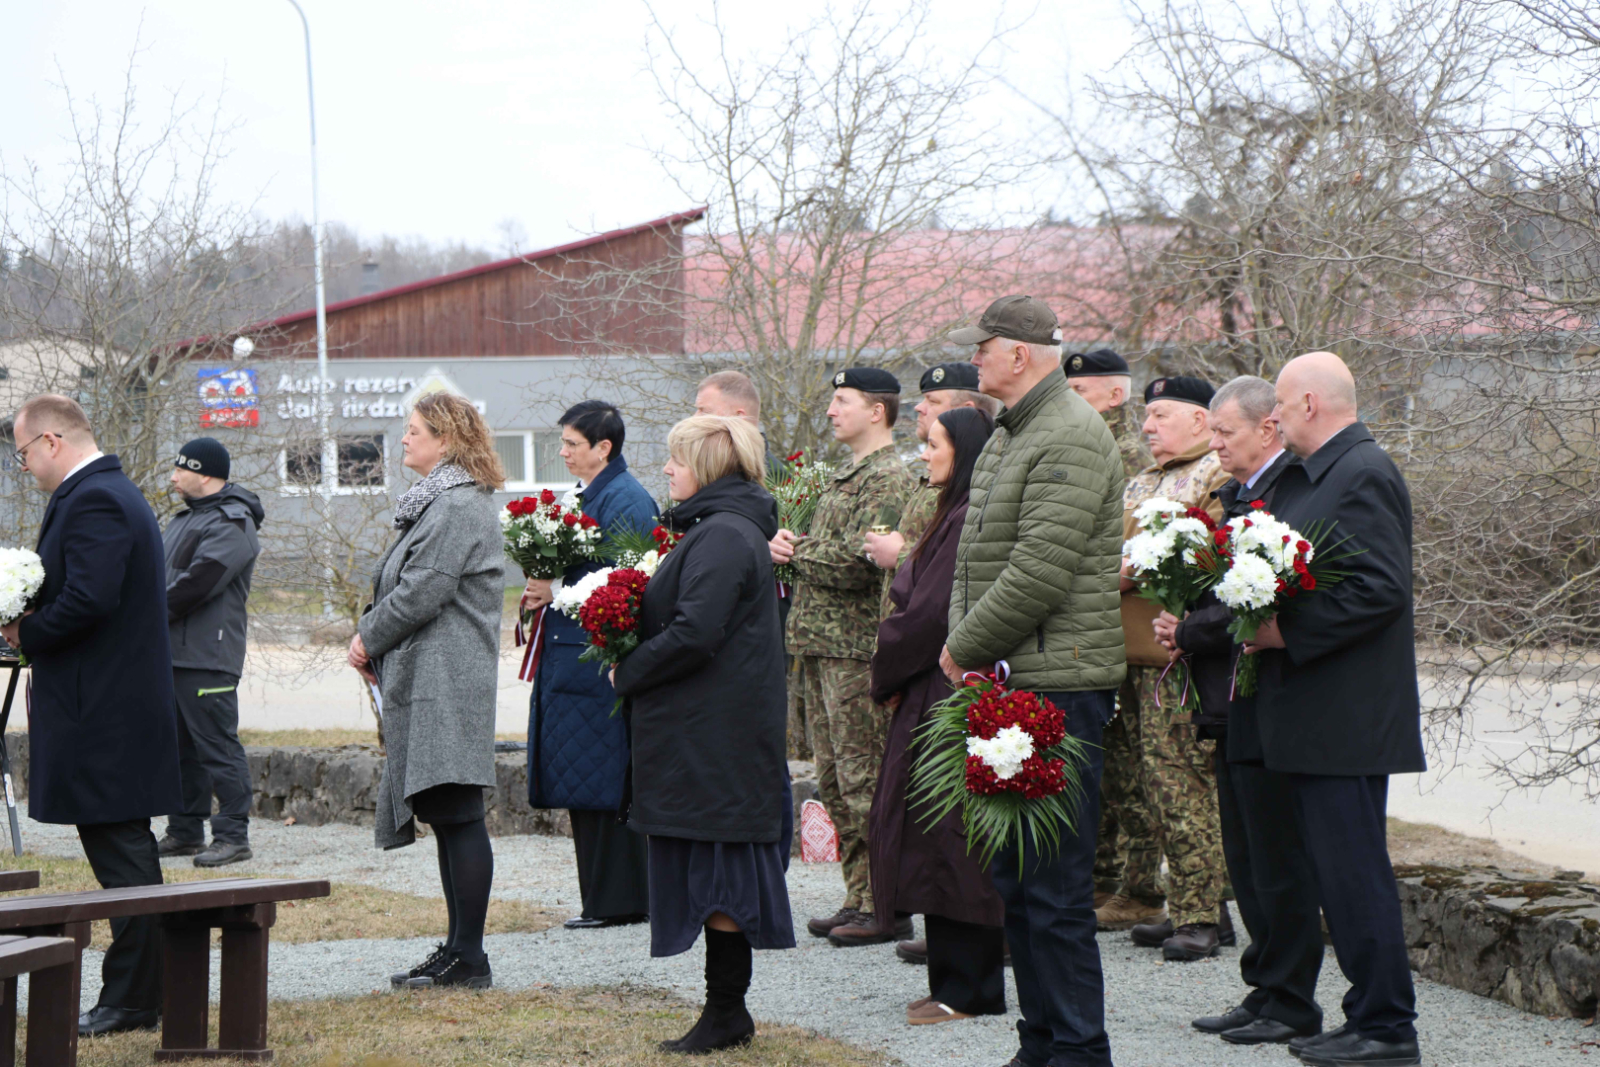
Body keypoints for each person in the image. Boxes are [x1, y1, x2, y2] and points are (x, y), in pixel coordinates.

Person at [941, 295, 1126, 1067]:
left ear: (1019, 352)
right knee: (1016, 881)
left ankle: (1080, 1050)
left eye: (982, 348)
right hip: (1010, 679)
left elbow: (1039, 570)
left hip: (1059, 687)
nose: (974, 361)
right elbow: (972, 556)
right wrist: (966, 646)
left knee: (1054, 887)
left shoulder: (1069, 435)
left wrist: (961, 647)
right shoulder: (1015, 431)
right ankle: (1041, 1040)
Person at [1235, 352, 1425, 1067]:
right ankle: (1366, 1016)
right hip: (1310, 711)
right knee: (1335, 874)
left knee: (1354, 874)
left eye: (1279, 404)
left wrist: (1283, 630)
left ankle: (1387, 1025)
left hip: (1346, 715)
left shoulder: (1364, 470)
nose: (1272, 416)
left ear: (1310, 403)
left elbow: (1381, 588)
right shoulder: (1311, 476)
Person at [611, 415, 794, 1055]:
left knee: (722, 875)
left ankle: (726, 1015)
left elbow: (695, 632)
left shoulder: (722, 534)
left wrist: (625, 671)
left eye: (676, 460)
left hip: (717, 735)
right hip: (715, 729)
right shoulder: (722, 529)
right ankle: (725, 1012)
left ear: (709, 467)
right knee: (715, 869)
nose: (666, 470)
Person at [1, 394, 182, 1037]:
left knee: (125, 858)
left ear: (52, 441)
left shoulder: (96, 497)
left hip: (104, 712)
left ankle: (134, 999)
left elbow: (89, 596)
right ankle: (140, 992)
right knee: (121, 852)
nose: (21, 466)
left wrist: (27, 631)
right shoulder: (106, 491)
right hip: (110, 706)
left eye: (22, 453)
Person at [1153, 376, 1323, 1046]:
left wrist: (1191, 629)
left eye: (1225, 432)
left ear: (1268, 429)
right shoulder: (1240, 494)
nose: (1215, 443)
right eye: (1214, 432)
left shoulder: (1286, 493)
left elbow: (1258, 588)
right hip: (1231, 698)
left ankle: (1291, 999)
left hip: (1265, 691)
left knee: (1275, 857)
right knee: (1246, 853)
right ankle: (1266, 986)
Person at [349, 392, 506, 990]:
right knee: (447, 814)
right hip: (429, 678)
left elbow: (421, 591)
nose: (405, 438)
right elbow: (404, 583)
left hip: (448, 683)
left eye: (415, 430)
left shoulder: (460, 506)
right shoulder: (435, 503)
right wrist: (372, 633)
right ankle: (458, 951)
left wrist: (366, 636)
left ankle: (470, 958)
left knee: (459, 813)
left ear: (447, 440)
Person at [769, 367, 916, 946]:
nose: (831, 411)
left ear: (876, 411)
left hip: (855, 651)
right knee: (833, 778)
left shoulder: (888, 479)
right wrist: (793, 546)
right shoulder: (845, 477)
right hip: (822, 648)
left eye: (843, 401)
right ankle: (860, 895)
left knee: (863, 780)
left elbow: (861, 562)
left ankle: (886, 901)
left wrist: (794, 551)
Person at [867, 406, 1004, 1024]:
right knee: (932, 838)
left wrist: (885, 668)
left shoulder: (969, 517)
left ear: (966, 451)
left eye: (935, 444)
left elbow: (928, 616)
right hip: (929, 690)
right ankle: (949, 980)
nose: (925, 454)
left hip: (949, 693)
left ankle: (970, 989)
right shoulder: (951, 514)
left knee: (955, 840)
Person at [1099, 375, 1235, 963]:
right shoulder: (1141, 480)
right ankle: (1182, 900)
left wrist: (1132, 574)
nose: (1147, 425)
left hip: (1173, 659)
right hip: (1124, 657)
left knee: (1181, 785)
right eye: (1147, 415)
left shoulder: (1215, 476)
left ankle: (1202, 916)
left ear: (1202, 422)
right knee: (1141, 791)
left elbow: (1210, 560)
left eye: (1160, 415)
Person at [522, 400, 657, 928]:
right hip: (574, 657)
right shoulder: (591, 493)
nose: (563, 453)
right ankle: (606, 900)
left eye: (572, 444)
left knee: (603, 780)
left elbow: (630, 578)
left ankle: (619, 902)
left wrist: (553, 588)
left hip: (595, 661)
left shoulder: (626, 499)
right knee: (587, 781)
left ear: (604, 447)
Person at [1065, 349, 1162, 918]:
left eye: (1080, 391)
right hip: (1094, 627)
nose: (1069, 401)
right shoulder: (1078, 445)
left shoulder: (1129, 456)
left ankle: (1139, 883)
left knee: (1132, 770)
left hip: (1129, 624)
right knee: (1100, 764)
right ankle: (1101, 879)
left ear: (1114, 396)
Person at [157, 437, 265, 868]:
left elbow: (198, 584)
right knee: (180, 749)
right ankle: (185, 832)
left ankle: (233, 836)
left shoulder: (233, 523)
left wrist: (141, 616)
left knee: (217, 748)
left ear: (204, 473)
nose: (173, 476)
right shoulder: (185, 520)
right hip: (172, 654)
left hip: (207, 657)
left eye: (181, 469)